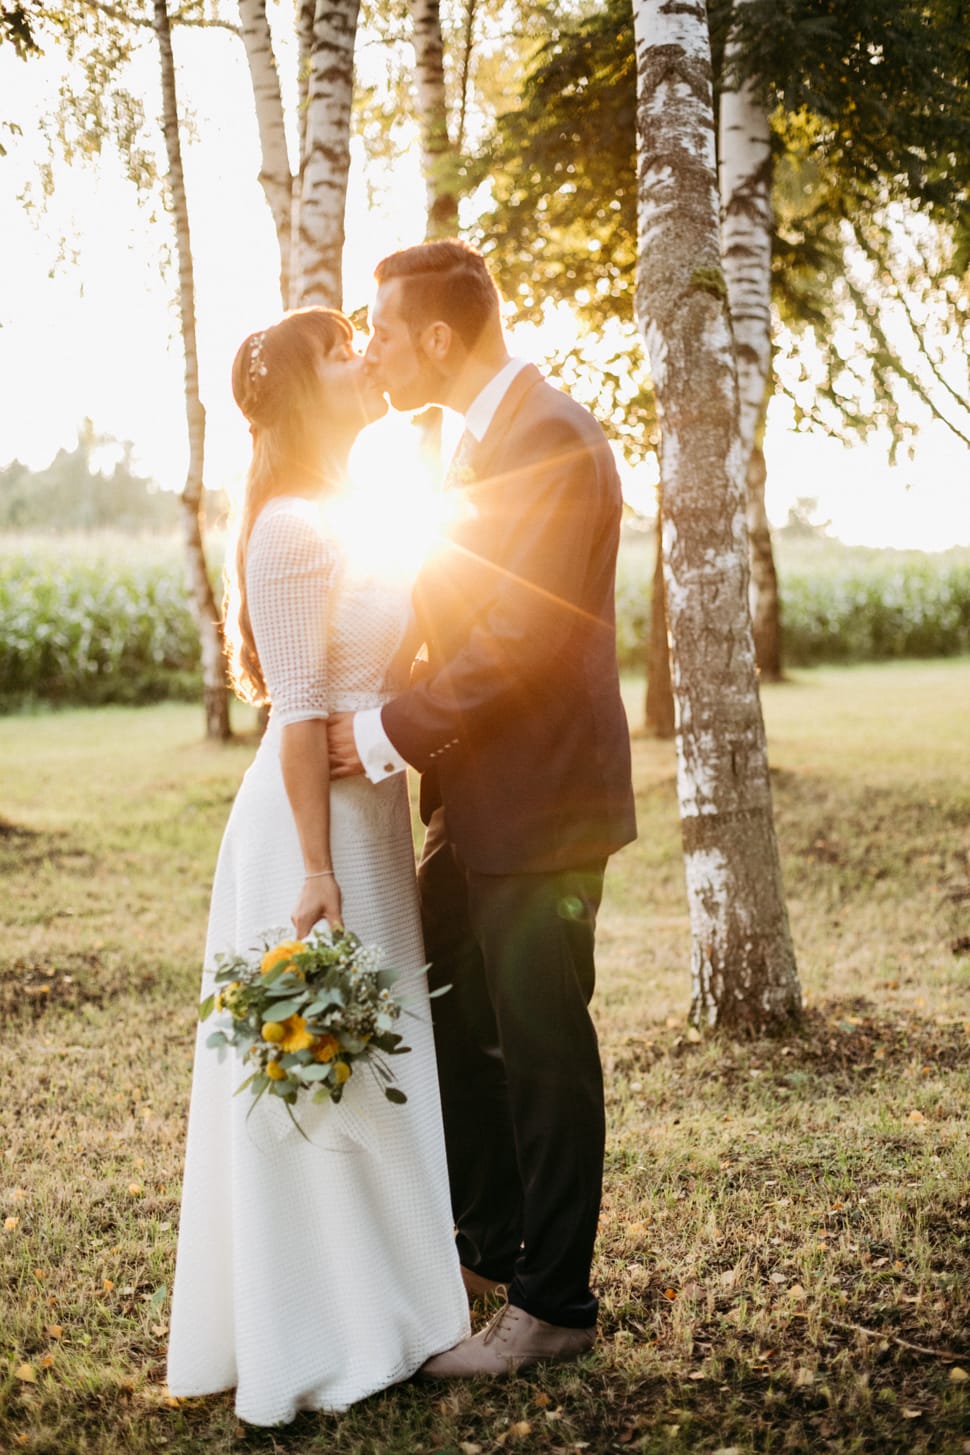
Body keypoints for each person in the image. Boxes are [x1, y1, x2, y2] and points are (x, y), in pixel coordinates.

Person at [328, 239, 637, 1377]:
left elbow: (521, 639)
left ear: (442, 338)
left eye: (384, 329)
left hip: (543, 808)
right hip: (481, 802)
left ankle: (551, 1307)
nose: (373, 348)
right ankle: (488, 1247)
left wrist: (373, 734)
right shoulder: (477, 443)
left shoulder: (549, 436)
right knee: (442, 1003)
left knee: (544, 1044)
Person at [166, 306, 469, 1426]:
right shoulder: (291, 526)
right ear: (307, 388)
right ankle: (328, 1326)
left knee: (378, 1058)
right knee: (330, 1066)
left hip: (370, 821)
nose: (365, 356)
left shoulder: (353, 508)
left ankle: (396, 1300)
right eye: (344, 348)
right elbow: (297, 714)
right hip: (316, 836)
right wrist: (313, 871)